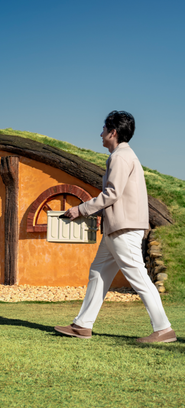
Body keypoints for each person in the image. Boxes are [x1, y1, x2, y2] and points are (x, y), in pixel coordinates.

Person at [55, 111, 176, 343]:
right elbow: (118, 196)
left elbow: (112, 193)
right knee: (98, 273)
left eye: (103, 129)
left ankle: (163, 329)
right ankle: (82, 325)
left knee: (138, 277)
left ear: (113, 132)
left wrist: (81, 209)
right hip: (117, 229)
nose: (100, 134)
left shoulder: (120, 157)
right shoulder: (124, 156)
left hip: (124, 229)